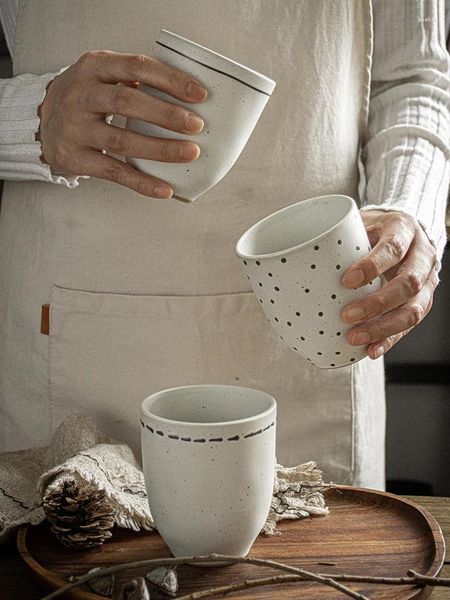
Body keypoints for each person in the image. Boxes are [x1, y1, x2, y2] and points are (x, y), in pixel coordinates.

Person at [0, 0, 448, 490]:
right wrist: (29, 119)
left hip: (325, 318)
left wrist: (411, 208)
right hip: (74, 345)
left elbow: (414, 77)